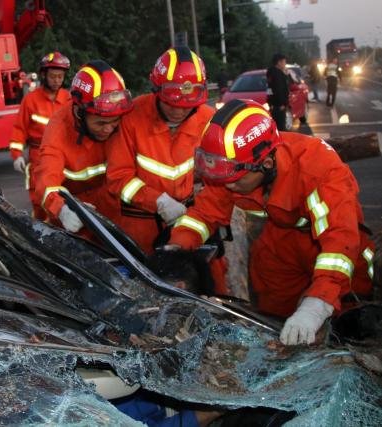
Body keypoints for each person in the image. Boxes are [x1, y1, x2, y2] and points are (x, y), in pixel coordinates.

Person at [168, 99, 374, 346]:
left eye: (234, 180)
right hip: (281, 240)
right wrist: (175, 251)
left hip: (336, 243)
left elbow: (339, 242)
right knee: (271, 316)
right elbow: (203, 214)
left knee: (350, 318)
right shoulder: (235, 168)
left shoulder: (318, 169)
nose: (227, 186)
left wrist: (317, 305)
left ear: (265, 164)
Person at [105, 47, 215, 255]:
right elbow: (118, 177)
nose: (179, 111)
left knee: (210, 276)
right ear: (156, 91)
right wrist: (158, 202)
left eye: (186, 105)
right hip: (139, 224)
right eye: (171, 103)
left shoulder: (208, 120)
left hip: (189, 218)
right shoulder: (133, 117)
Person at [35, 60, 133, 234]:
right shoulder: (58, 130)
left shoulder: (121, 117)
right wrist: (61, 209)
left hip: (113, 215)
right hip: (74, 220)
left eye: (115, 121)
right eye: (101, 123)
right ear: (79, 113)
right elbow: (46, 180)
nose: (108, 129)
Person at [10, 51, 71, 220]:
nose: (57, 80)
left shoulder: (69, 99)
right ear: (43, 75)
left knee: (66, 199)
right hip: (39, 157)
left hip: (65, 157)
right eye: (52, 76)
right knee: (40, 200)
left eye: (60, 77)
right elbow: (19, 128)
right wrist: (17, 155)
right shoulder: (30, 100)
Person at [266, 53, 289, 131]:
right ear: (279, 62)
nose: (285, 64)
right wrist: (283, 103)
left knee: (275, 128)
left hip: (273, 105)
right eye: (284, 62)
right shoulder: (278, 74)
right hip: (279, 106)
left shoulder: (270, 73)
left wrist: (270, 102)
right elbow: (279, 89)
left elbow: (269, 90)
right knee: (281, 128)